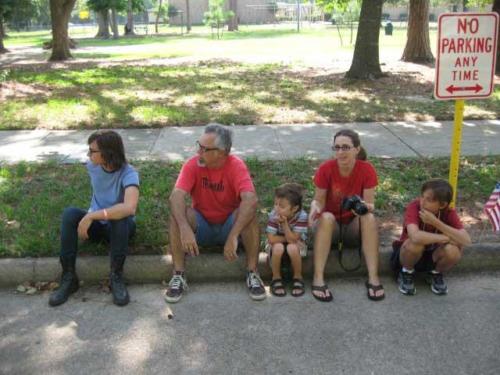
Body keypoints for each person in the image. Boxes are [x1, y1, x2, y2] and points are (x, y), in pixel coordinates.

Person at [165, 124, 265, 303]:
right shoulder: (192, 165)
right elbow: (176, 197)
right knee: (177, 215)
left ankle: (252, 272)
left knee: (250, 215)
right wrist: (184, 228)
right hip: (202, 224)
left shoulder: (236, 166)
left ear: (222, 152)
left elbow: (251, 200)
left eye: (204, 149)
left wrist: (234, 235)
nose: (198, 152)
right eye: (199, 146)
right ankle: (178, 274)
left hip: (229, 225)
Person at [49, 130, 140, 307]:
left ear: (107, 153)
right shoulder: (93, 166)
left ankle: (116, 276)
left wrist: (92, 215)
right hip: (99, 226)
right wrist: (90, 217)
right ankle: (69, 277)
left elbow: (129, 208)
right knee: (70, 213)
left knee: (119, 217)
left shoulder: (129, 174)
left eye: (92, 151)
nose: (88, 154)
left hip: (122, 229)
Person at [308, 129, 384, 302]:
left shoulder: (366, 169)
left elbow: (370, 205)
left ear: (356, 149)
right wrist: (314, 207)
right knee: (326, 217)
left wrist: (363, 207)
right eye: (336, 148)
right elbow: (318, 200)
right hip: (331, 227)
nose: (340, 152)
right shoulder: (326, 168)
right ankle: (318, 278)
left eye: (345, 147)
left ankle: (374, 277)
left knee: (369, 218)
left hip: (353, 227)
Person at [392, 179, 471, 296]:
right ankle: (406, 272)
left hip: (434, 255)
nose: (422, 202)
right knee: (415, 244)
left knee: (453, 250)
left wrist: (436, 222)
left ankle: (435, 273)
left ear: (442, 204)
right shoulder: (414, 206)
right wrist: (447, 238)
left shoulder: (449, 212)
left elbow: (467, 241)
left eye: (428, 200)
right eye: (422, 197)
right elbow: (415, 236)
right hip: (407, 255)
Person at [266, 183, 308, 297]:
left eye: (282, 206)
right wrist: (288, 238)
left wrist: (284, 225)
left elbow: (294, 240)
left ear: (294, 208)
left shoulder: (302, 216)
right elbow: (271, 239)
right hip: (278, 244)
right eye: (275, 204)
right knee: (278, 247)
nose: (277, 208)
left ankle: (298, 277)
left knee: (292, 248)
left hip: (296, 245)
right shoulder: (274, 215)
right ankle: (276, 277)